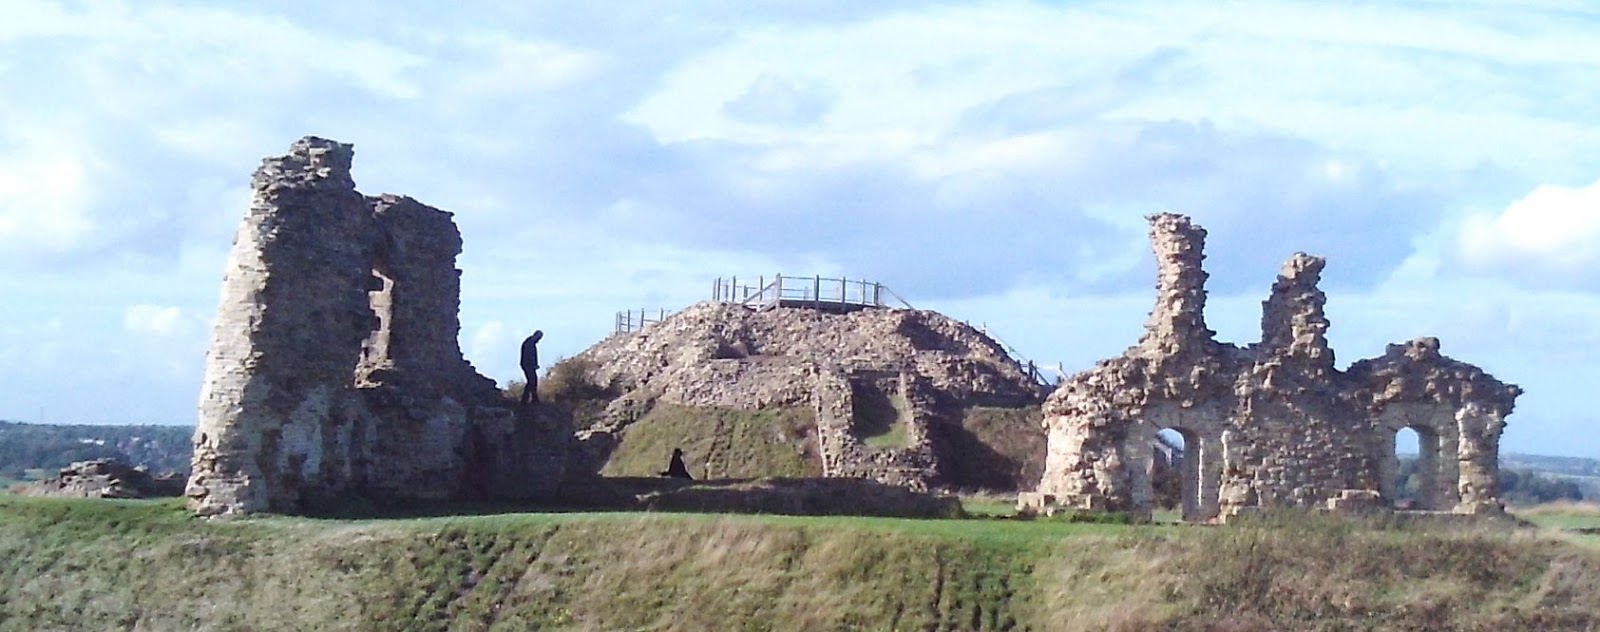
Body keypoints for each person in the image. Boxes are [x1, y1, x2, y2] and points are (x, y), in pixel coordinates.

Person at [520, 330, 543, 407]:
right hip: (528, 365)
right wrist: (533, 364)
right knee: (532, 381)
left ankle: (532, 399)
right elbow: (529, 356)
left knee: (532, 381)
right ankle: (526, 400)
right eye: (539, 338)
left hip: (528, 365)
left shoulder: (530, 342)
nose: (539, 340)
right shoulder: (529, 343)